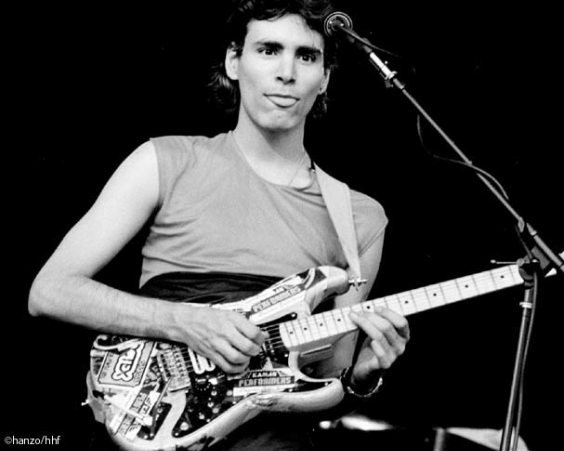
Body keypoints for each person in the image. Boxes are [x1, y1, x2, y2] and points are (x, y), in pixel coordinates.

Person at [28, 0, 410, 449]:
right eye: (268, 50)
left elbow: (325, 379)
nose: (286, 73)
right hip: (153, 426)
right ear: (233, 61)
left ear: (324, 77)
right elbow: (49, 291)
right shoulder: (165, 161)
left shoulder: (359, 217)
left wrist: (364, 375)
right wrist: (182, 321)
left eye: (307, 56)